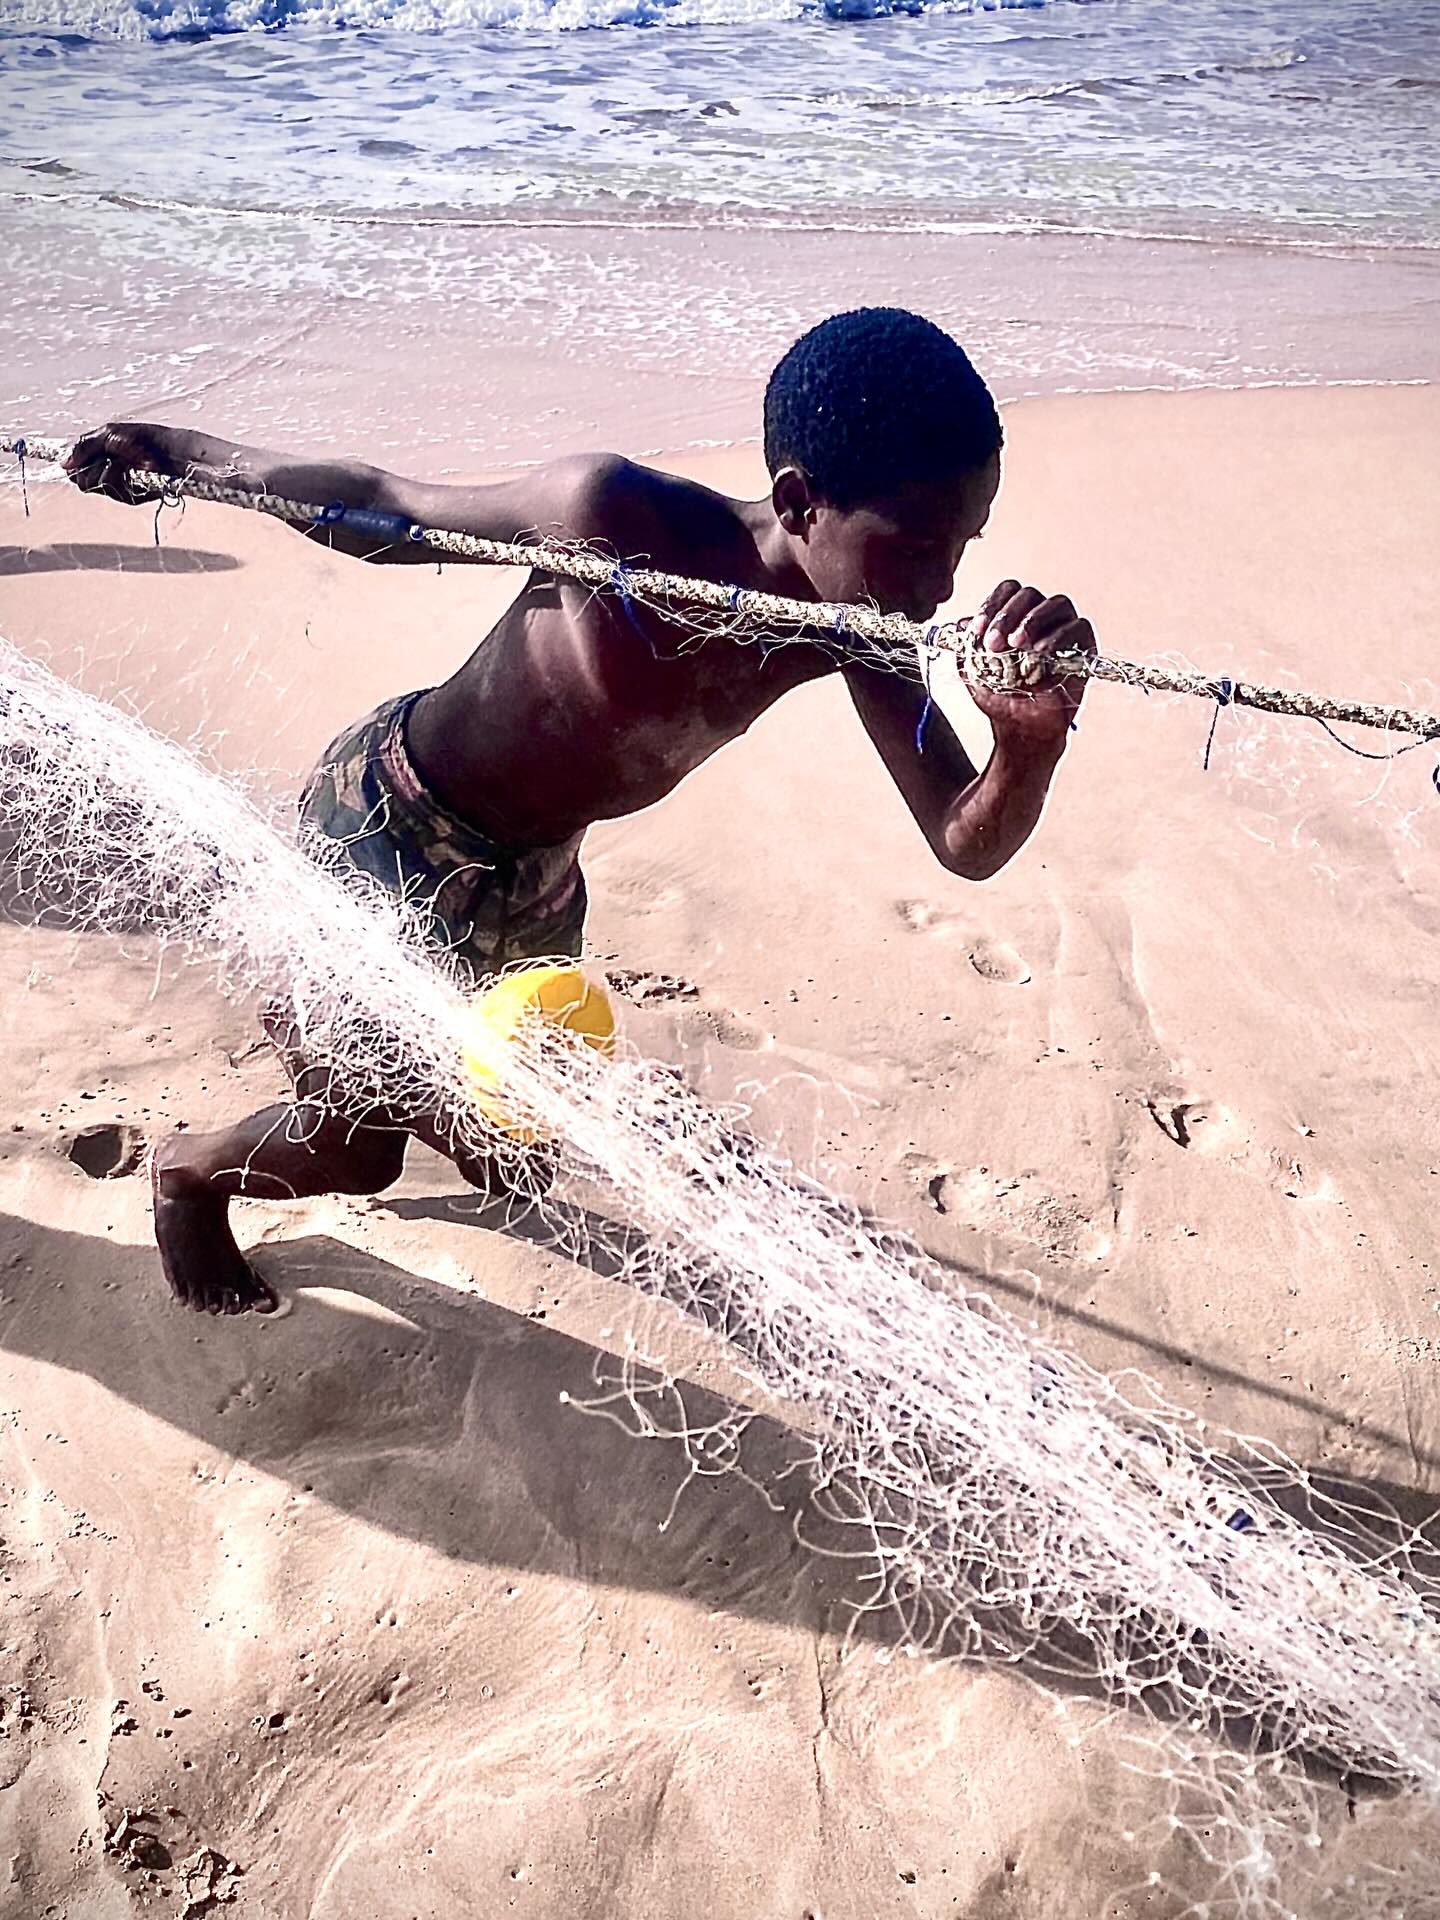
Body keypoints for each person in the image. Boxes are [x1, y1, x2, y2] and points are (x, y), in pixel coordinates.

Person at [66, 306, 1097, 1315]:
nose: (942, 584)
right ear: (798, 502)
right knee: (355, 1153)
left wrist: (1026, 743)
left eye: (964, 544)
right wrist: (185, 457)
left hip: (538, 877)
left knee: (519, 1154)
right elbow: (383, 508)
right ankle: (189, 1175)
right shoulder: (614, 518)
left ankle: (394, 1062)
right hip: (392, 822)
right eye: (915, 545)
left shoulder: (859, 630)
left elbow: (964, 841)